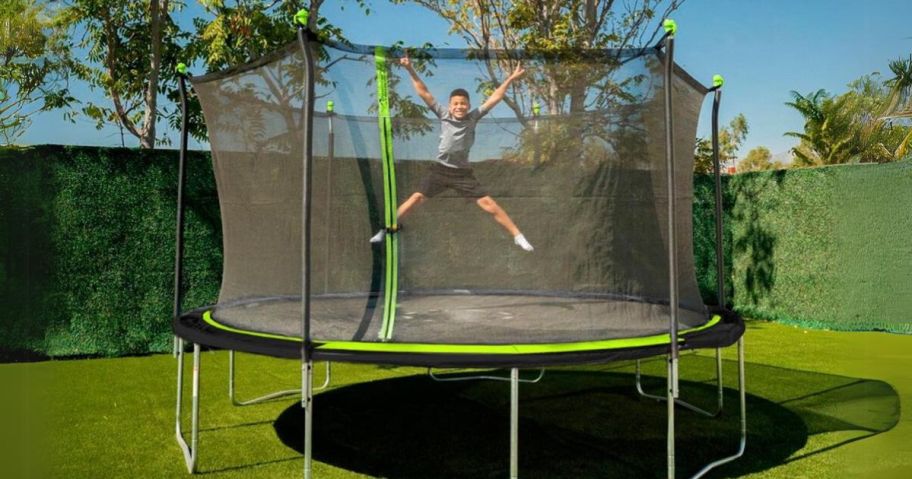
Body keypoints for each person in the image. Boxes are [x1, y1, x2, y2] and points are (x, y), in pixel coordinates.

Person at [370, 54, 534, 252]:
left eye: (463, 103)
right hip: (440, 170)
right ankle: (386, 229)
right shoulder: (443, 114)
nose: (459, 106)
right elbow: (424, 92)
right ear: (450, 105)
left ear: (468, 105)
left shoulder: (473, 117)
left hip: (462, 173)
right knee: (415, 199)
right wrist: (410, 69)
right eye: (455, 103)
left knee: (488, 204)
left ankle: (518, 235)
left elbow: (495, 98)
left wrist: (510, 79)